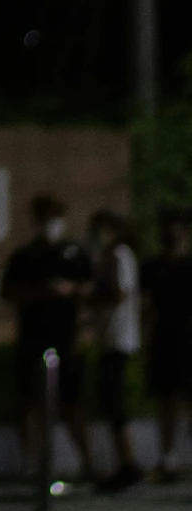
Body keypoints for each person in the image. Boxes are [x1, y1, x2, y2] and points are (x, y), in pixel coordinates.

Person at [1, 194, 95, 482]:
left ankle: (87, 463)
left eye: (54, 217)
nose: (49, 223)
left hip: (66, 339)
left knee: (71, 403)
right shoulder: (24, 256)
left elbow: (91, 287)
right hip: (32, 339)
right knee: (28, 401)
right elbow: (8, 292)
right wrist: (40, 293)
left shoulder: (74, 253)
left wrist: (70, 290)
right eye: (44, 217)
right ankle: (32, 464)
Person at [88, 208, 143, 491]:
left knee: (115, 401)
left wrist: (87, 297)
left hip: (118, 338)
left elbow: (119, 294)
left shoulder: (119, 256)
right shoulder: (109, 256)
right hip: (109, 339)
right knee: (110, 401)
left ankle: (128, 464)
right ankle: (124, 463)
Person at [141, 207, 192, 483]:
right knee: (166, 398)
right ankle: (168, 456)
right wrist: (147, 341)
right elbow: (148, 307)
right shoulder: (153, 267)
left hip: (188, 338)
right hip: (164, 338)